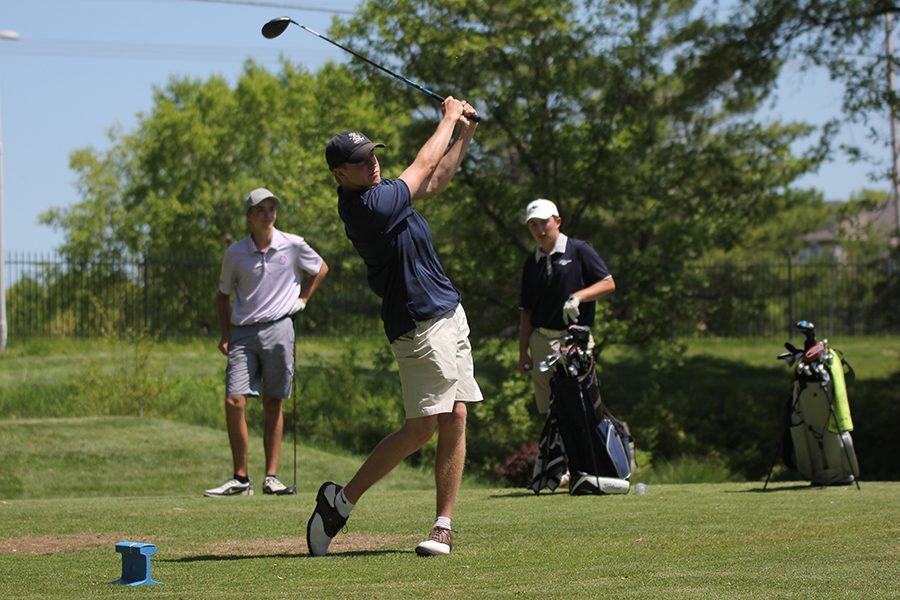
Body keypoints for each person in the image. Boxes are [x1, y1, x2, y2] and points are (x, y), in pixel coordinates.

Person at [306, 97, 481, 557]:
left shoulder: (386, 194)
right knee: (421, 429)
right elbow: (424, 163)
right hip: (418, 321)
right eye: (362, 162)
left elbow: (436, 178)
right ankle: (340, 501)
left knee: (457, 414)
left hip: (448, 310)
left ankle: (443, 526)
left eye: (374, 155)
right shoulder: (366, 205)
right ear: (341, 174)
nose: (373, 163)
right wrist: (447, 118)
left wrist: (464, 135)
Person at [204, 187, 329, 497]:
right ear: (249, 216)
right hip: (243, 332)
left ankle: (271, 477)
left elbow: (321, 268)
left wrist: (304, 298)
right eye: (260, 208)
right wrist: (224, 334)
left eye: (272, 207)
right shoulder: (235, 253)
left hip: (279, 328)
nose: (268, 213)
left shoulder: (293, 245)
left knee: (274, 401)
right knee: (234, 400)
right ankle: (241, 478)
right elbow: (222, 295)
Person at [517, 198, 615, 416]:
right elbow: (527, 311)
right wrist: (523, 352)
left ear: (558, 221)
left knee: (582, 406)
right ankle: (560, 448)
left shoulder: (578, 250)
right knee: (550, 410)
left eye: (544, 222)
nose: (539, 229)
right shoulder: (532, 262)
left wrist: (578, 297)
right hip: (541, 342)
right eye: (533, 224)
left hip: (574, 341)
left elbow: (608, 283)